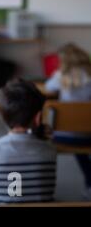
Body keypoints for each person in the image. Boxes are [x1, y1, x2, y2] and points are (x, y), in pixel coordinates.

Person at [45, 43, 91, 199]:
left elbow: (47, 88)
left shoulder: (60, 76)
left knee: (71, 133)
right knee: (81, 136)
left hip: (62, 136)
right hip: (88, 135)